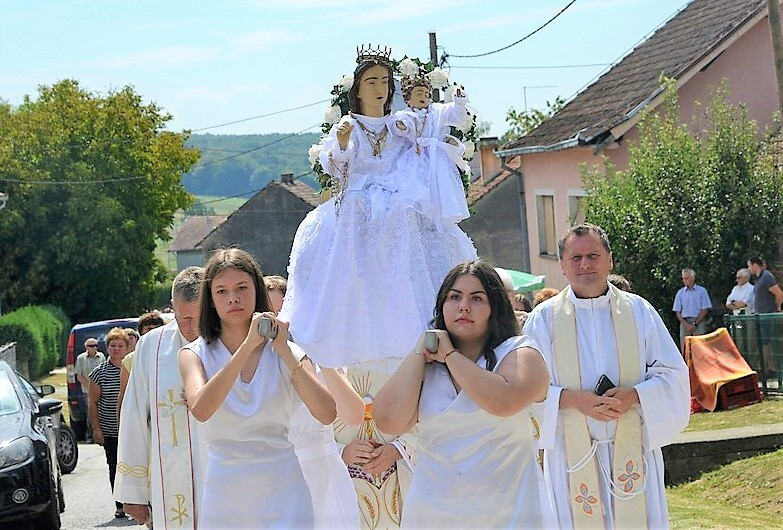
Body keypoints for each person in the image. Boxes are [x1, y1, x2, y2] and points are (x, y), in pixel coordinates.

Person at [280, 44, 477, 369]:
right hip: (359, 197)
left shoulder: (400, 123)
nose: (379, 88)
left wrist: (455, 107)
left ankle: (415, 317)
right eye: (371, 81)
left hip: (399, 192)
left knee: (406, 211)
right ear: (357, 89)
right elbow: (337, 169)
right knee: (362, 207)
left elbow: (432, 127)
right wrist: (342, 144)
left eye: (384, 82)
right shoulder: (348, 126)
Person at [523, 223, 690, 529]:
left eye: (593, 255)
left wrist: (635, 395)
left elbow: (673, 373)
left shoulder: (639, 311)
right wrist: (573, 400)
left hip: (632, 448)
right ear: (562, 265)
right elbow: (525, 390)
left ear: (610, 260)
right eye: (575, 258)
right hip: (571, 455)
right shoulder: (543, 320)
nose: (585, 264)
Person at [373, 260, 550, 528]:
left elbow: (503, 402)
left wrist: (451, 356)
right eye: (454, 297)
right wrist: (419, 353)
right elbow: (387, 420)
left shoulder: (521, 352)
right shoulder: (426, 363)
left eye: (477, 298)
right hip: (432, 513)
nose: (463, 306)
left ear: (495, 307)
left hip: (508, 513)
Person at [178, 248, 336, 529]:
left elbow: (326, 413)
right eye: (222, 291)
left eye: (241, 288)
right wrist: (248, 345)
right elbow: (201, 409)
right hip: (225, 493)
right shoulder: (194, 354)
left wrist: (284, 351)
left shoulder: (288, 352)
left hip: (285, 489)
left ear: (257, 290)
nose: (233, 298)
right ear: (211, 301)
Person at [264, 274, 363, 529]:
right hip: (278, 480)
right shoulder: (255, 365)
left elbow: (353, 415)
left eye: (282, 312)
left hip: (325, 477)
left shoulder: (319, 357)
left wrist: (319, 352)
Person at [115, 267, 205, 529]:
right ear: (172, 309)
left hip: (222, 472)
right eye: (183, 318)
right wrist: (133, 492)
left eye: (198, 318)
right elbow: (134, 416)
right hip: (170, 479)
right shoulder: (151, 346)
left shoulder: (228, 339)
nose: (191, 327)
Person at [391, 73, 471, 230]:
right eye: (419, 93)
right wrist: (402, 127)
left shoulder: (437, 111)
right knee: (414, 191)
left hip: (436, 159)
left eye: (427, 94)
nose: (423, 97)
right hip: (414, 157)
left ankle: (437, 220)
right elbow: (401, 126)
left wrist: (459, 102)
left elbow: (456, 115)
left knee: (439, 189)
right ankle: (418, 218)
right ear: (408, 98)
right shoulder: (405, 114)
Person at [88, 326, 131, 519]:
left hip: (132, 429)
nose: (116, 349)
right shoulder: (99, 373)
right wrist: (97, 429)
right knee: (115, 466)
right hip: (111, 431)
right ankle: (120, 504)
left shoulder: (134, 368)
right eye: (113, 345)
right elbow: (93, 402)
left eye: (120, 346)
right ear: (107, 348)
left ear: (127, 347)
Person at [117, 311, 166, 421]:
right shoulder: (131, 360)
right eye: (149, 329)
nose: (153, 333)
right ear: (141, 333)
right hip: (141, 415)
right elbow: (124, 395)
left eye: (157, 329)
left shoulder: (174, 355)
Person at [747, 256, 783, 377]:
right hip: (761, 317)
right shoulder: (760, 278)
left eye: (749, 266)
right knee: (764, 343)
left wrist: (777, 309)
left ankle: (771, 369)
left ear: (754, 265)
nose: (749, 269)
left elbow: (779, 294)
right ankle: (769, 368)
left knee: (767, 342)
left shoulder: (767, 276)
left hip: (767, 316)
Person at [673, 268, 712, 352]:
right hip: (684, 322)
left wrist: (695, 324)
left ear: (693, 278)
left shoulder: (702, 291)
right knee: (685, 346)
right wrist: (686, 324)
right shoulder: (680, 293)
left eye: (686, 278)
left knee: (700, 346)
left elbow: (705, 309)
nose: (684, 281)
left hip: (699, 321)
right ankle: (686, 364)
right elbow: (677, 311)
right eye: (683, 278)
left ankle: (700, 364)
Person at [74, 337, 104, 442]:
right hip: (87, 390)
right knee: (91, 412)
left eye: (96, 345)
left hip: (101, 389)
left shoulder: (101, 357)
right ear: (86, 347)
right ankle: (89, 435)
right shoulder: (81, 358)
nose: (94, 348)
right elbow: (79, 375)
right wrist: (90, 386)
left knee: (102, 411)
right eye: (91, 346)